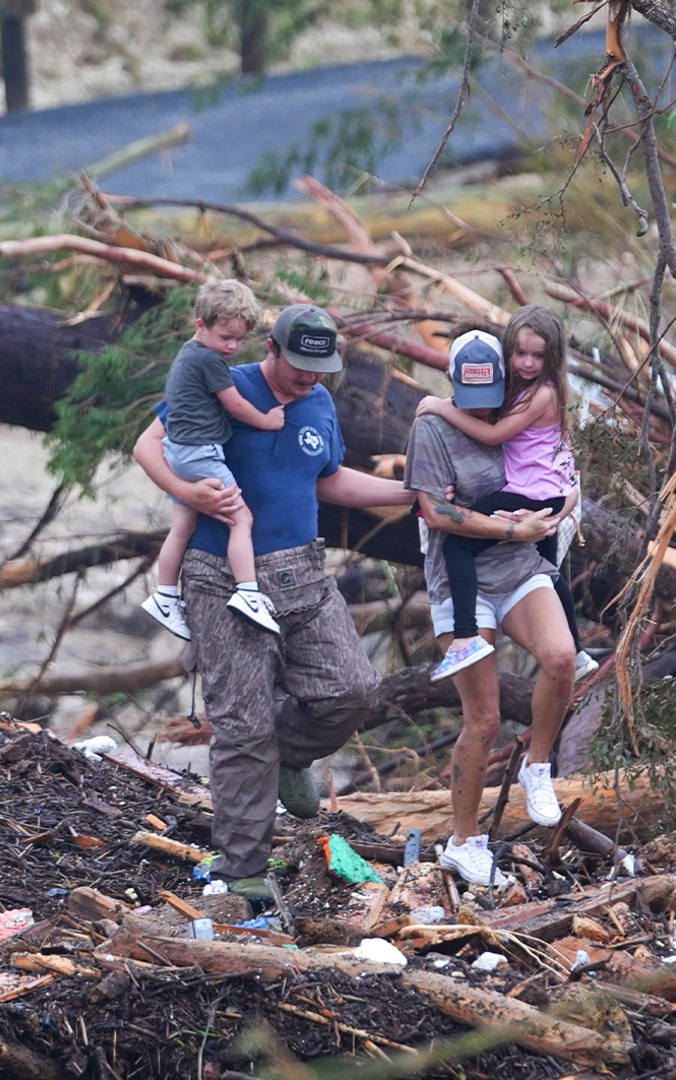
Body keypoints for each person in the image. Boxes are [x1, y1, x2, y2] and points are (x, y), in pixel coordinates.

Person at [132, 303, 413, 899]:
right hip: (219, 576)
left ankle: (286, 756)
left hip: (302, 572)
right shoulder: (221, 381)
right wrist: (188, 493)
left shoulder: (318, 402)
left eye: (320, 369)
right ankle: (243, 872)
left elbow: (327, 478)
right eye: (299, 366)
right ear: (271, 347)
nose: (309, 378)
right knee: (241, 725)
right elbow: (147, 447)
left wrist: (406, 490)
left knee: (353, 689)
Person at [402, 316, 583, 888]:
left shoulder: (519, 398)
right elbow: (434, 512)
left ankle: (539, 766)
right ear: (453, 383)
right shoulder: (432, 429)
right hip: (462, 583)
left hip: (518, 566)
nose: (483, 407)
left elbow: (559, 468)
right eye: (471, 397)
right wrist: (507, 528)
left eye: (491, 394)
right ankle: (464, 841)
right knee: (484, 718)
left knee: (560, 658)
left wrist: (549, 515)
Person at [415, 310, 586, 681]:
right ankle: (579, 649)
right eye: (520, 354)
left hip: (533, 495)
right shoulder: (531, 391)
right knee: (550, 570)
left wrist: (441, 406)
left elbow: (493, 437)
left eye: (537, 356)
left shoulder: (541, 395)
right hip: (548, 494)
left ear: (552, 358)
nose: (527, 363)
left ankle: (465, 636)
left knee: (457, 545)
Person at [142, 280, 286, 639]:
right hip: (199, 452)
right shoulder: (210, 361)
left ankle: (164, 594)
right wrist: (268, 420)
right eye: (226, 337)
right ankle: (248, 592)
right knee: (241, 518)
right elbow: (234, 403)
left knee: (182, 526)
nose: (233, 347)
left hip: (177, 451)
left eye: (239, 340)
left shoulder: (190, 353)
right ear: (200, 325)